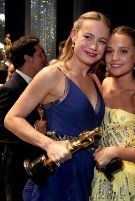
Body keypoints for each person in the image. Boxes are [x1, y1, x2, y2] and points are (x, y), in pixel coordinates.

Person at [4, 11, 111, 201]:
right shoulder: (52, 74)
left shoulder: (94, 79)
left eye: (102, 41)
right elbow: (12, 118)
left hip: (87, 170)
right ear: (73, 35)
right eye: (88, 37)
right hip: (59, 172)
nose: (94, 46)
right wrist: (49, 144)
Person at [90, 26, 135, 201]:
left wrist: (115, 151)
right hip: (96, 173)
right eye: (109, 51)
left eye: (123, 51)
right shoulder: (105, 83)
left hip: (123, 179)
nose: (114, 58)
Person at [0, 36, 47, 201]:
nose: (44, 58)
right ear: (28, 58)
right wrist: (35, 131)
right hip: (19, 168)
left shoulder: (35, 84)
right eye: (41, 54)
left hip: (36, 165)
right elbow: (3, 132)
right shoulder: (10, 88)